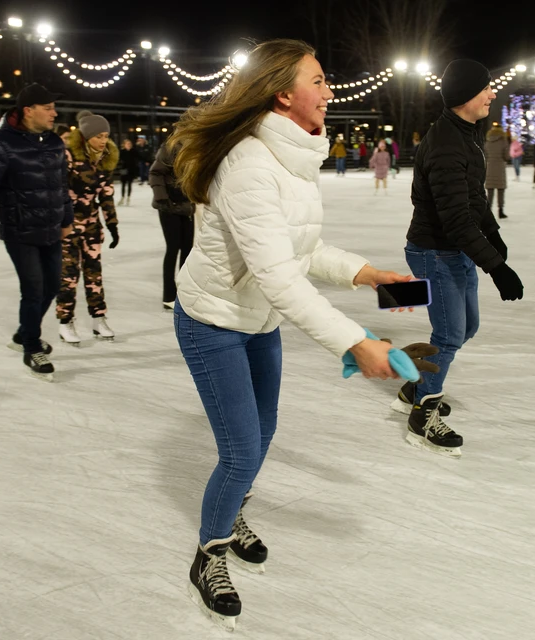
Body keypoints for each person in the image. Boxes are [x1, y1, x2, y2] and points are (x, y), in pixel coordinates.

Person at [168, 39, 418, 631]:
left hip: (259, 319)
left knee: (265, 430)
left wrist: (366, 274)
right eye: (319, 80)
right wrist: (356, 341)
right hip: (215, 322)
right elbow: (278, 274)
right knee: (242, 449)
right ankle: (210, 555)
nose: (330, 92)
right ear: (285, 93)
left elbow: (300, 249)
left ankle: (233, 512)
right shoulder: (249, 165)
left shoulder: (293, 160)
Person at [394, 58, 524, 454]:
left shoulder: (465, 134)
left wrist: (494, 233)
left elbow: (472, 196)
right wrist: (498, 267)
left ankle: (415, 384)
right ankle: (423, 413)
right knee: (449, 334)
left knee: (465, 329)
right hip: (435, 252)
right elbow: (454, 221)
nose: (492, 94)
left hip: (453, 251)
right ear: (467, 94)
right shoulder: (448, 145)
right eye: (486, 88)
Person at [0, 84, 74, 381]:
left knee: (52, 285)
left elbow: (62, 187)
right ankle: (32, 347)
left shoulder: (55, 142)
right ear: (28, 110)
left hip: (50, 228)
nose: (54, 113)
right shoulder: (1, 144)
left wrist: (66, 219)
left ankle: (23, 333)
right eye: (47, 108)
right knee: (33, 288)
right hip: (19, 229)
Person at [56, 111, 119, 345]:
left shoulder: (105, 159)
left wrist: (112, 223)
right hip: (68, 226)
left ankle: (98, 318)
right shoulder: (69, 157)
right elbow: (59, 190)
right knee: (68, 276)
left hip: (92, 227)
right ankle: (65, 321)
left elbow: (106, 195)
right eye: (98, 136)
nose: (103, 140)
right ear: (85, 137)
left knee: (94, 274)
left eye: (105, 136)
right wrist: (62, 221)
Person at [149, 141, 195, 310]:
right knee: (173, 248)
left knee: (188, 250)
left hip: (187, 206)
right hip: (169, 206)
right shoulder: (170, 147)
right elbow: (155, 172)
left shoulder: (196, 146)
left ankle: (185, 292)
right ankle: (169, 295)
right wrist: (163, 198)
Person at [485, 124, 510, 219]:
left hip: (490, 168)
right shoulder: (503, 141)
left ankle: (488, 211)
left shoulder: (487, 141)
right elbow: (506, 156)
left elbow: (485, 155)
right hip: (500, 168)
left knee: (490, 191)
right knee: (501, 190)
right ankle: (501, 211)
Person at [117, 138, 140, 205]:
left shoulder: (133, 151)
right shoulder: (122, 151)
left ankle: (128, 197)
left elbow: (140, 157)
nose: (129, 145)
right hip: (124, 170)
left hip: (131, 170)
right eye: (127, 144)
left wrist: (148, 161)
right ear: (124, 145)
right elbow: (118, 159)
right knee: (123, 184)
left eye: (130, 144)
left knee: (129, 184)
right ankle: (122, 197)